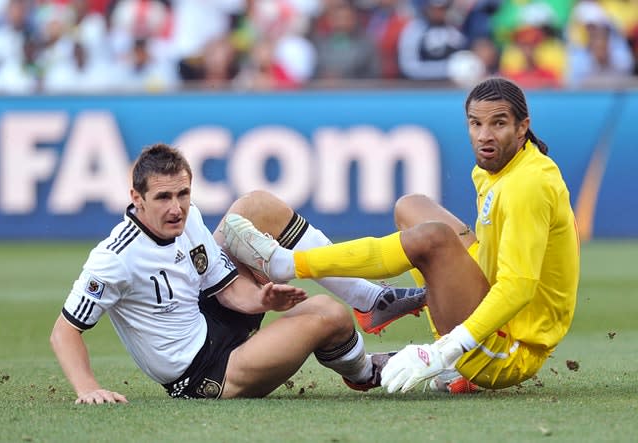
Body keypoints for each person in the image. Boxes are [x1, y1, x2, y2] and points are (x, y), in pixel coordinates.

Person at [221, 77, 580, 394]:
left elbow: (519, 288)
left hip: (508, 351)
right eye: (476, 123)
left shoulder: (527, 185)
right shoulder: (496, 167)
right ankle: (370, 300)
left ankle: (288, 263)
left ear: (522, 127)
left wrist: (443, 351)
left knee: (435, 239)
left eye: (498, 124)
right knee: (412, 207)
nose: (485, 135)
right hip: (494, 309)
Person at [49, 143, 391, 404]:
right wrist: (89, 388)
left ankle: (367, 297)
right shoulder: (114, 258)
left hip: (213, 318)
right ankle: (365, 373)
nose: (176, 208)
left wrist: (261, 299)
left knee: (254, 207)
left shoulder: (190, 218)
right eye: (163, 197)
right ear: (136, 198)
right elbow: (64, 332)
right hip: (205, 372)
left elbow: (224, 288)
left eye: (183, 194)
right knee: (330, 315)